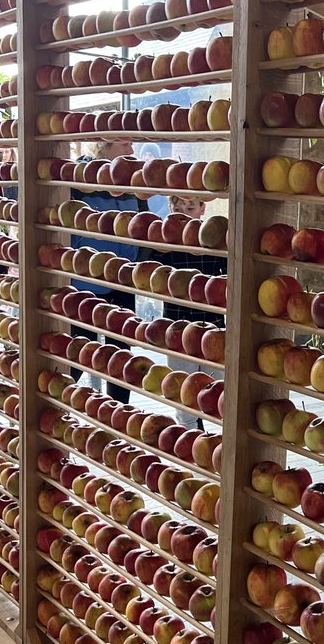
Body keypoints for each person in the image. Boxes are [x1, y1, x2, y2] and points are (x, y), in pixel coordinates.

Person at [71, 140, 144, 404]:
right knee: (78, 354)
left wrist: (135, 266)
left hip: (122, 282)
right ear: (105, 145)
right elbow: (63, 224)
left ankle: (119, 417)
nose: (131, 151)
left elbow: (143, 229)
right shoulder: (81, 178)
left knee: (121, 360)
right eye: (125, 145)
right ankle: (62, 407)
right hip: (84, 286)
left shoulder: (131, 184)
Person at [157, 194, 226, 428]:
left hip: (212, 325)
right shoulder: (165, 244)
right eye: (178, 208)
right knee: (183, 393)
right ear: (169, 208)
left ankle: (209, 439)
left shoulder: (214, 241)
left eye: (190, 207)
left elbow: (227, 279)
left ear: (202, 209)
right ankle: (190, 436)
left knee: (215, 387)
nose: (184, 214)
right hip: (177, 326)